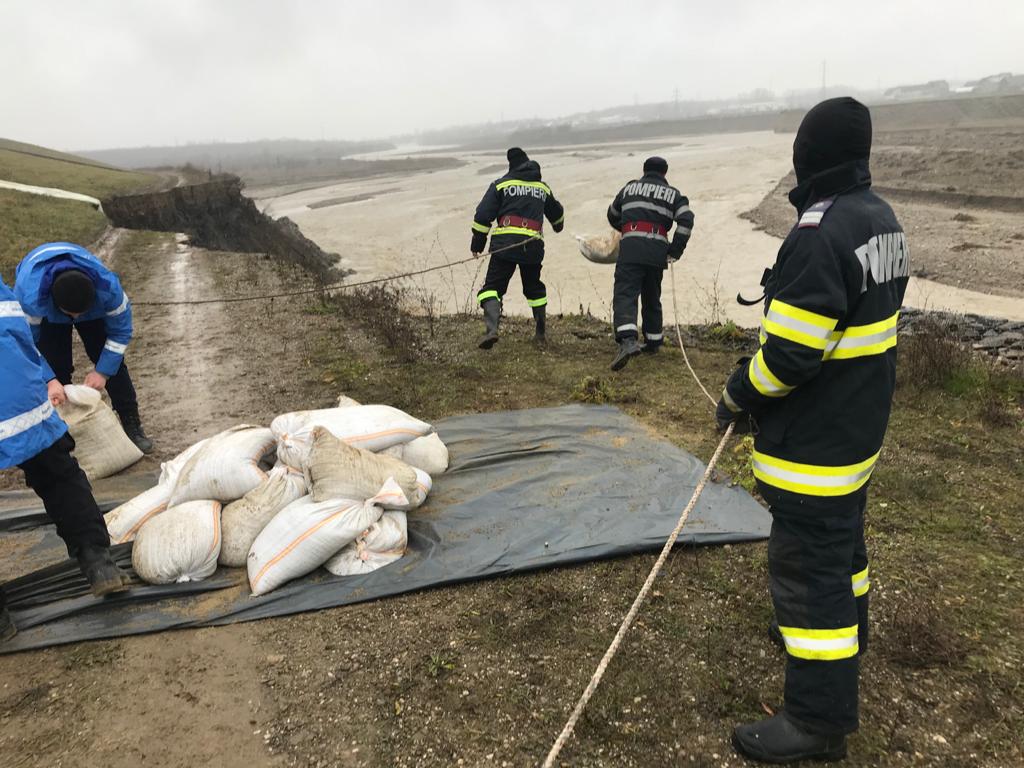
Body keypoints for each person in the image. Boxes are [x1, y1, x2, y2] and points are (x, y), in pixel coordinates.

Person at [716, 97, 909, 763]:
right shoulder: (879, 218)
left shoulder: (819, 232)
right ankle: (850, 637)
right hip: (856, 434)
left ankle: (817, 721)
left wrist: (738, 393)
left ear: (807, 155)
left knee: (808, 574)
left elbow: (791, 356)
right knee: (845, 552)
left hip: (816, 447)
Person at [1, 275, 131, 642]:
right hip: (16, 391)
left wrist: (102, 370)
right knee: (57, 471)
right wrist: (45, 377)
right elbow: (19, 334)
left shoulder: (103, 288)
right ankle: (100, 565)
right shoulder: (12, 289)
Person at [14, 242, 152, 453]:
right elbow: (27, 345)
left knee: (110, 359)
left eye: (79, 313)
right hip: (48, 310)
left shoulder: (109, 290)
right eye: (71, 314)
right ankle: (64, 431)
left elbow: (120, 332)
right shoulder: (31, 298)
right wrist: (50, 380)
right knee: (56, 367)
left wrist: (103, 371)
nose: (75, 319)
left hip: (92, 310)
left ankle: (131, 423)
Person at [470, 147, 565, 348]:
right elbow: (558, 219)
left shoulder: (500, 185)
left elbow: (482, 216)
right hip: (532, 247)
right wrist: (557, 224)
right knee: (534, 288)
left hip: (505, 246)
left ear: (511, 165)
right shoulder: (543, 188)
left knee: (492, 289)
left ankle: (492, 330)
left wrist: (477, 243)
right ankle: (540, 335)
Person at [606, 156, 694, 371]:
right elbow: (686, 220)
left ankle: (628, 341)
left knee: (626, 293)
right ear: (665, 173)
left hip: (632, 248)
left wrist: (628, 228)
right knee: (652, 294)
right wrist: (676, 249)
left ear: (644, 171)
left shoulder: (629, 189)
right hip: (657, 251)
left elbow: (612, 214)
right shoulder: (674, 194)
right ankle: (653, 341)